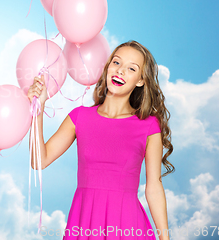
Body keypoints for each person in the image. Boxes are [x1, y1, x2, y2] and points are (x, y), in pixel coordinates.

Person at [27, 40, 174, 240]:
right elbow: (39, 160)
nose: (120, 71)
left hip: (128, 226)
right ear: (107, 68)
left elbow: (154, 187)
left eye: (131, 68)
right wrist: (38, 108)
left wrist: (165, 238)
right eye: (116, 63)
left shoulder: (148, 126)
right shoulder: (79, 117)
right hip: (84, 223)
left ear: (141, 80)